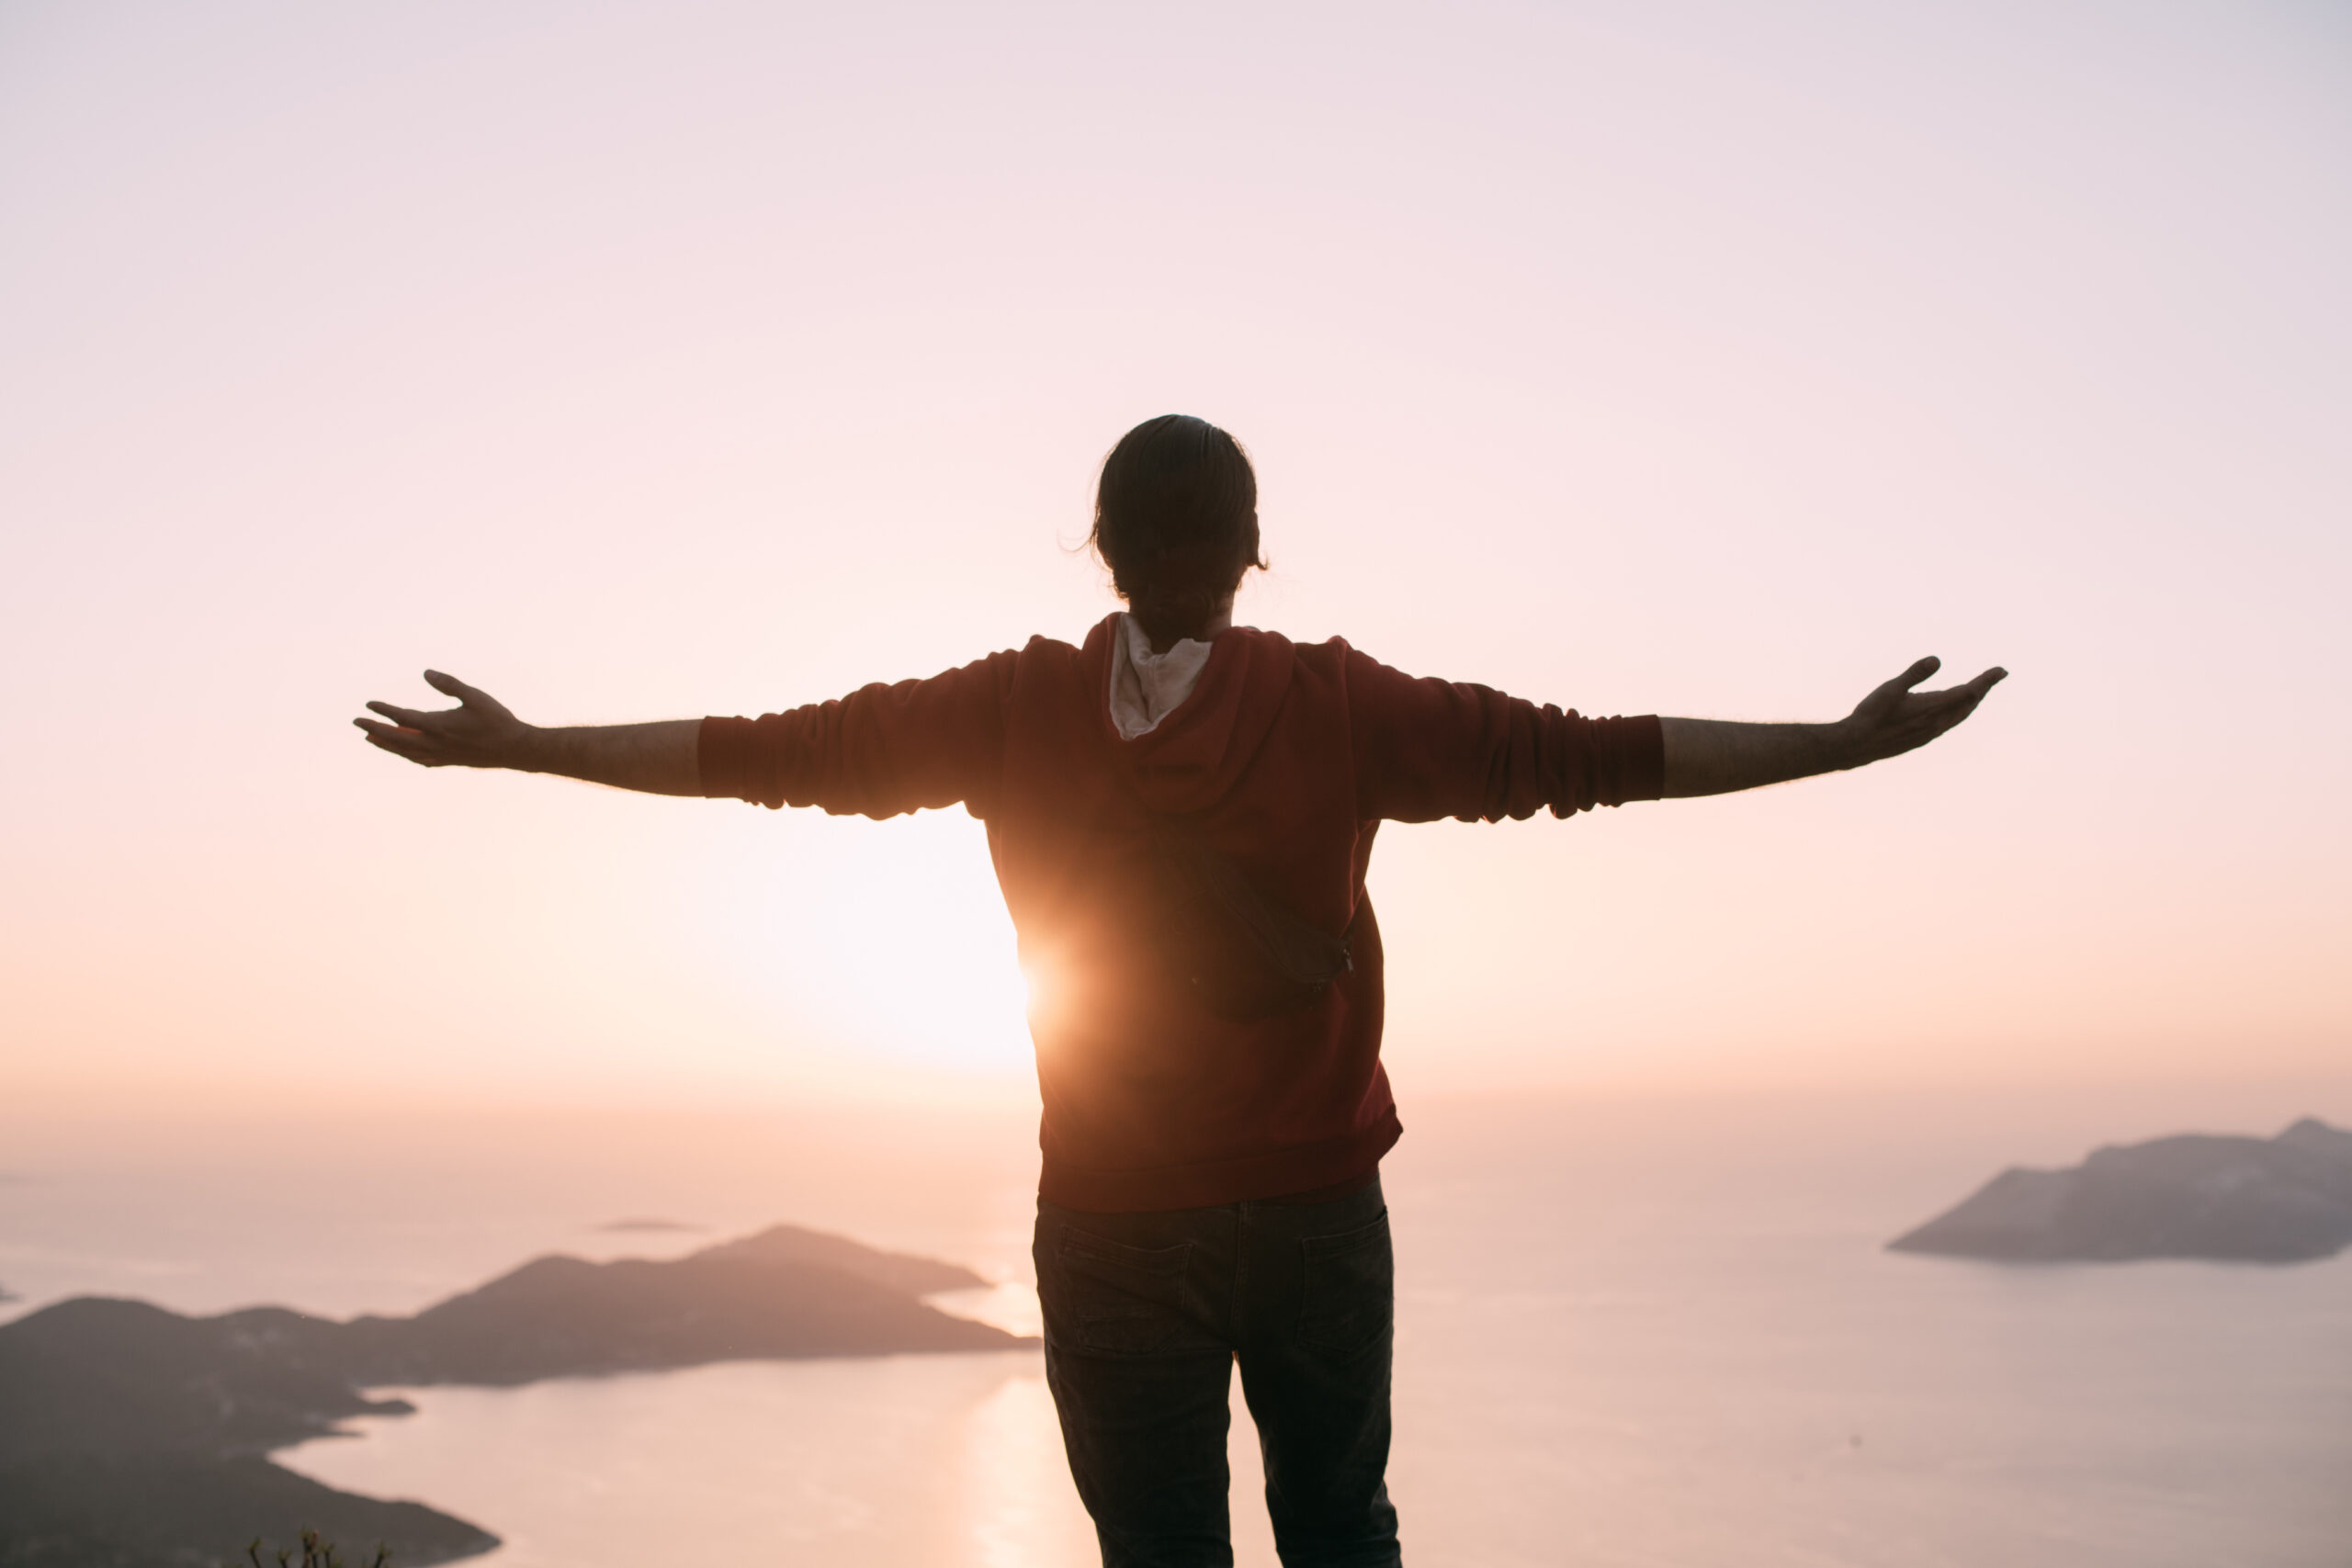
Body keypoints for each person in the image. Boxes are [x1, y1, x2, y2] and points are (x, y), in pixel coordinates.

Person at [356, 413, 2004, 1568]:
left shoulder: (1012, 709)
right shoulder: (1342, 708)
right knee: (1343, 1533)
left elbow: (768, 757)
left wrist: (527, 748)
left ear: (1105, 547)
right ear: (1252, 552)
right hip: (1314, 1207)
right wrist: (1835, 747)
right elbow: (1587, 758)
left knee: (1156, 1555)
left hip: (1118, 1221)